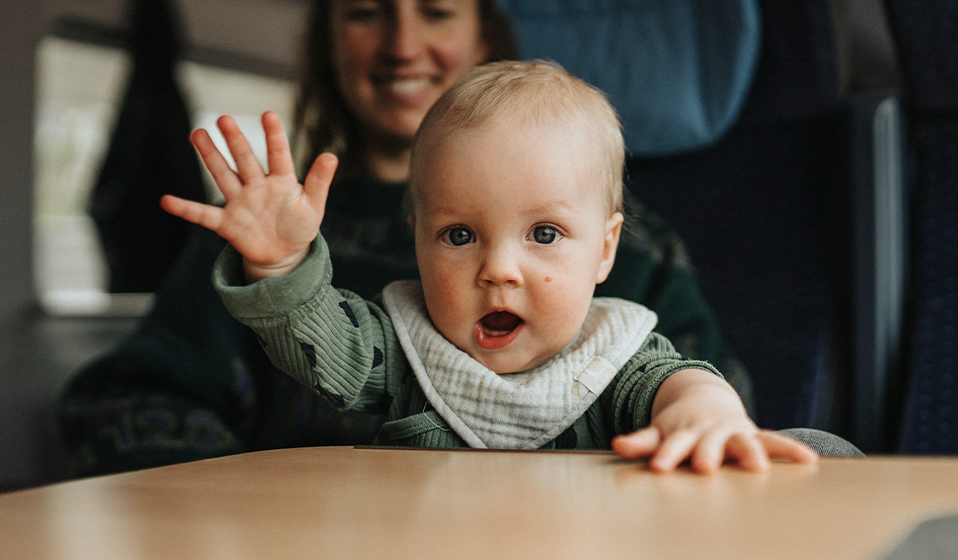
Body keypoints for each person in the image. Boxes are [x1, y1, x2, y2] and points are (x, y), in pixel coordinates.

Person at [57, 0, 753, 476]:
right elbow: (123, 403)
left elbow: (707, 402)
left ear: (482, 28)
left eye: (436, 9)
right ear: (328, 37)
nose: (402, 44)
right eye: (367, 11)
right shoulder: (269, 241)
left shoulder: (637, 255)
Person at [163, 61, 817, 472]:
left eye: (544, 233)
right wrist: (282, 264)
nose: (499, 269)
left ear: (607, 249)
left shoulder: (614, 360)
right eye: (458, 234)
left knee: (824, 449)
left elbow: (680, 384)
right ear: (414, 239)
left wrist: (706, 412)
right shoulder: (403, 353)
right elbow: (325, 345)